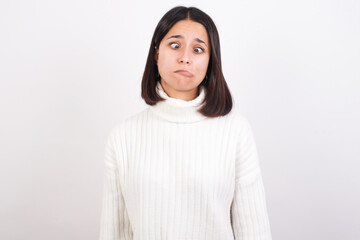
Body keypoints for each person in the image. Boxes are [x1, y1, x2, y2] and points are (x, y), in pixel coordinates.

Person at [99, 6, 272, 240]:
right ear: (157, 54)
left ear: (211, 62)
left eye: (198, 49)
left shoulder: (235, 132)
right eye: (175, 45)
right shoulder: (123, 137)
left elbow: (254, 231)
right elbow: (114, 232)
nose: (185, 58)